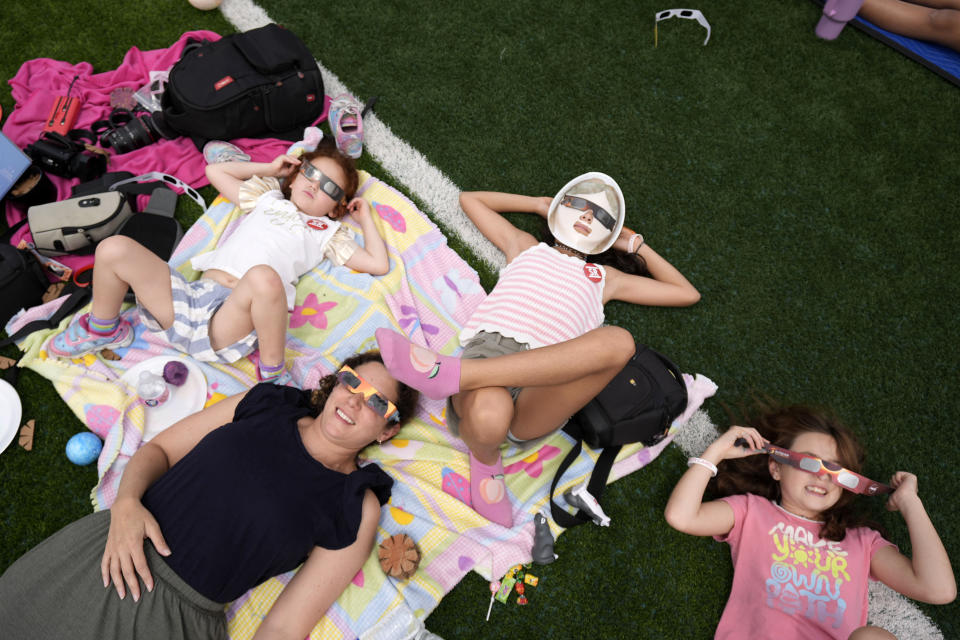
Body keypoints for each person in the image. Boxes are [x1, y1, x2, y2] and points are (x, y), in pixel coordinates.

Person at [0, 351, 419, 639]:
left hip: (173, 618)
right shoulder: (268, 403)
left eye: (376, 402)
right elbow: (159, 450)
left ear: (387, 430)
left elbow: (284, 628)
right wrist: (126, 503)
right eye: (352, 381)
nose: (353, 401)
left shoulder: (353, 503)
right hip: (111, 545)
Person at [374, 173, 700, 527]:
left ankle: (449, 375)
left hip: (546, 383)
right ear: (560, 207)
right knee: (490, 412)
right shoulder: (526, 246)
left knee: (620, 341)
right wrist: (539, 205)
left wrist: (634, 244)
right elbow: (470, 199)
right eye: (581, 205)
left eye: (603, 217)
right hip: (489, 362)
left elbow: (686, 293)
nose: (590, 217)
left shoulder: (606, 278)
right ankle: (485, 462)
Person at [46, 140, 391, 384]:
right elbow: (215, 171)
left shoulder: (325, 231)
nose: (316, 185)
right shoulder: (267, 197)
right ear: (296, 174)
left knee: (264, 278)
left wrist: (366, 219)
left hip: (232, 321)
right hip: (189, 301)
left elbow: (377, 263)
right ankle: (105, 329)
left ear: (337, 207)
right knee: (114, 248)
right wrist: (269, 168)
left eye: (330, 188)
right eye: (312, 173)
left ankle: (272, 375)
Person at [664, 404, 956, 639]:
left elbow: (939, 590)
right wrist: (716, 451)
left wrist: (910, 503)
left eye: (837, 471)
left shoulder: (862, 542)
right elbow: (681, 516)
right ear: (776, 467)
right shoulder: (751, 512)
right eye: (809, 462)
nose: (822, 476)